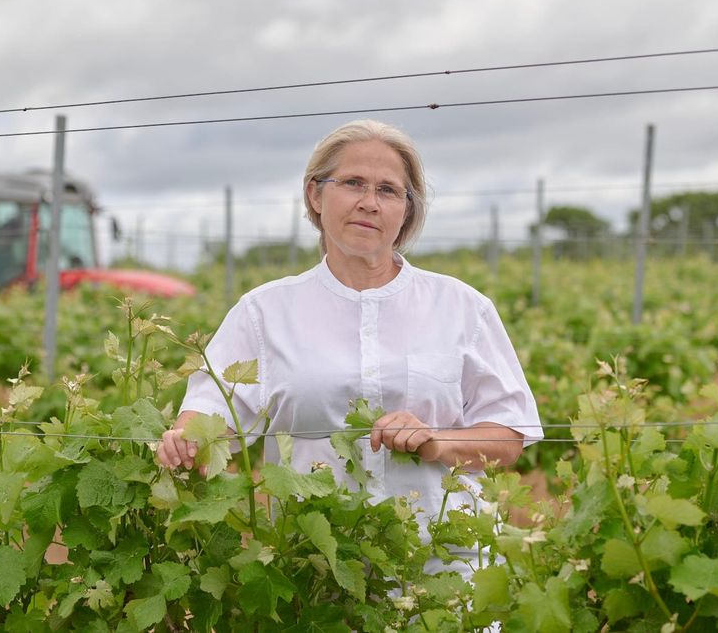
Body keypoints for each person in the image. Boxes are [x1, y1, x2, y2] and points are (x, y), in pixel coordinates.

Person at [156, 119, 541, 578]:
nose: (369, 203)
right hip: (316, 570)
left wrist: (438, 442)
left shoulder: (462, 307)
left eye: (388, 190)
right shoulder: (264, 312)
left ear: (407, 210)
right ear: (315, 196)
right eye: (353, 183)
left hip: (445, 567)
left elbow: (509, 437)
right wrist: (185, 440)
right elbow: (210, 413)